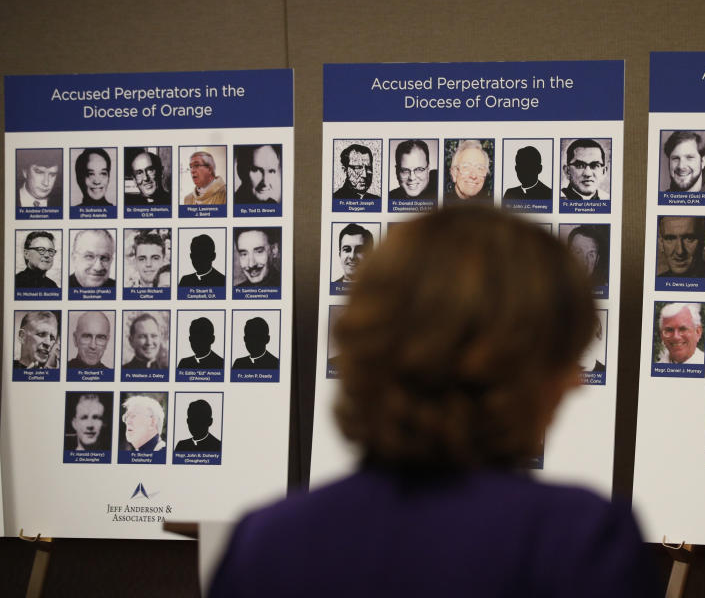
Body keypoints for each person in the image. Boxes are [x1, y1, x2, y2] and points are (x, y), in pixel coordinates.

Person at [211, 206, 655, 597]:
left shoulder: (267, 544)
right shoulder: (581, 542)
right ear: (521, 364)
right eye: (562, 354)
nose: (574, 385)